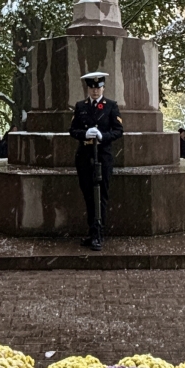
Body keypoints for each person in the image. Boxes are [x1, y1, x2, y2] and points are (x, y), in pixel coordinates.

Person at [69, 71, 123, 250]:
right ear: (88, 89)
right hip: (84, 156)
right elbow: (73, 130)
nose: (95, 91)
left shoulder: (111, 106)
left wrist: (103, 136)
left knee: (101, 196)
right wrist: (84, 133)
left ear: (103, 88)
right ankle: (92, 231)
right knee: (89, 196)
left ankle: (98, 234)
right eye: (92, 88)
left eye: (98, 87)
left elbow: (118, 131)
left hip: (103, 156)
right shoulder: (80, 106)